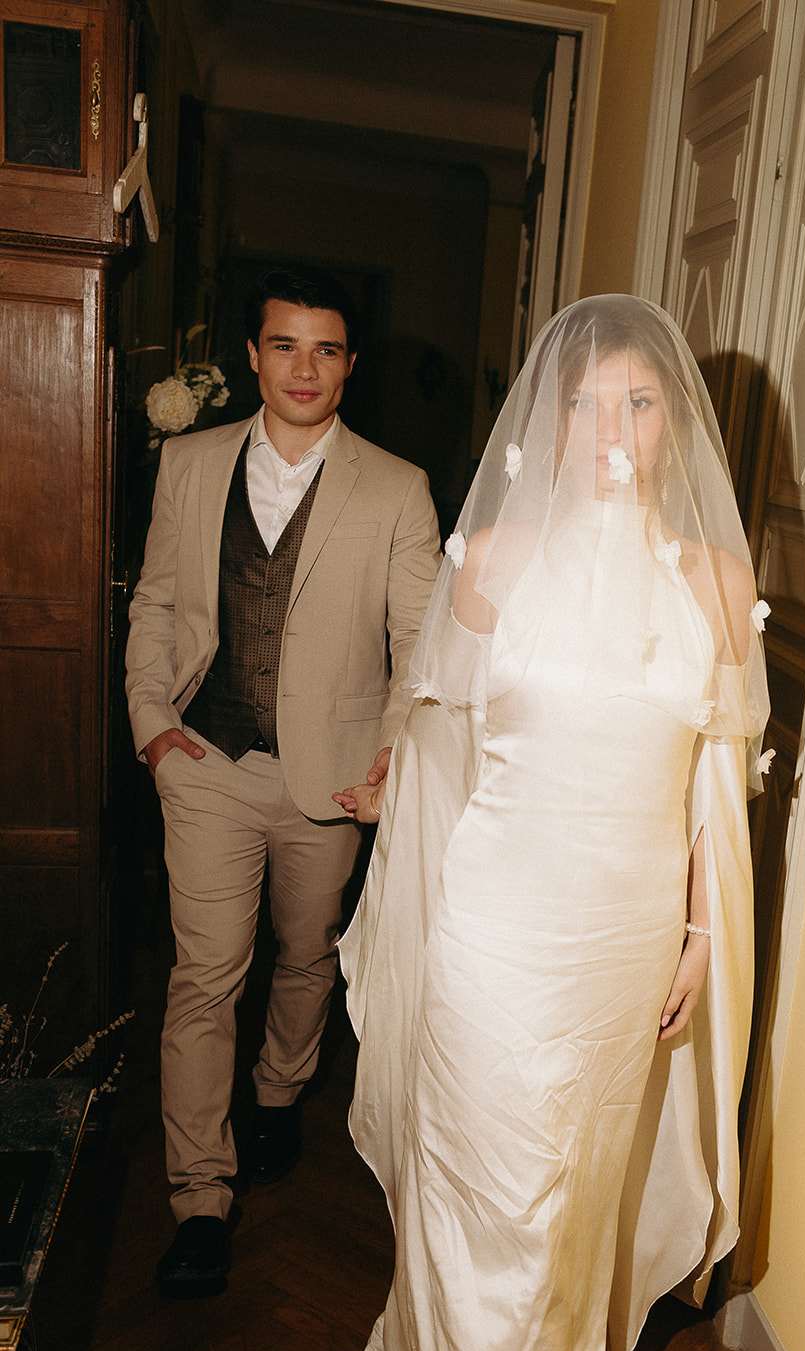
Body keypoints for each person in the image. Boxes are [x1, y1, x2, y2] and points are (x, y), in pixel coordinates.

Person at [332, 295, 771, 1351]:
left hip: (622, 946)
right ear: (551, 418)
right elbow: (441, 754)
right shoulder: (492, 558)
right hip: (495, 934)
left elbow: (716, 794)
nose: (614, 431)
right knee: (494, 1205)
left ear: (672, 422)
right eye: (588, 405)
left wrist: (700, 932)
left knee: (566, 1213)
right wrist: (398, 859)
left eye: (640, 404)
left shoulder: (711, 579)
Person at [125, 266, 440, 1298]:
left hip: (333, 781)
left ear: (350, 365)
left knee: (307, 954)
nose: (304, 368)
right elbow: (156, 603)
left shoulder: (396, 487)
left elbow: (419, 645)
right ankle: (199, 1198)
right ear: (253, 356)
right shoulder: (188, 463)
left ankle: (276, 1091)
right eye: (284, 345)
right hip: (206, 762)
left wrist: (390, 757)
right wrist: (153, 727)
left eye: (325, 349)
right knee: (204, 975)